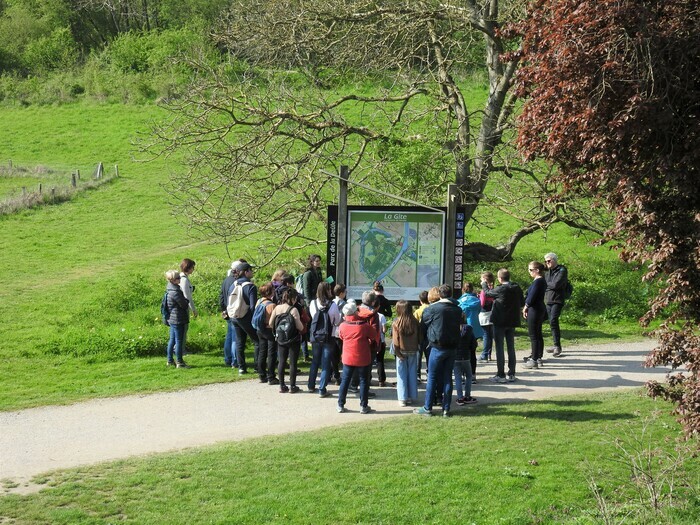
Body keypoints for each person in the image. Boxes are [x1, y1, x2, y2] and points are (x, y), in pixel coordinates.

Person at [414, 284, 463, 417]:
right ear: (451, 294)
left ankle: (428, 407)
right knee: (448, 378)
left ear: (440, 295)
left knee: (432, 377)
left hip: (437, 347)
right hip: (452, 348)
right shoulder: (457, 309)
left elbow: (423, 326)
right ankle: (446, 409)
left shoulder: (432, 309)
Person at [337, 301, 378, 414]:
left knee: (345, 380)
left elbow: (341, 336)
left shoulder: (343, 326)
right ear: (356, 312)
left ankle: (340, 404)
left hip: (348, 357)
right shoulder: (364, 326)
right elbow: (374, 335)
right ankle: (363, 406)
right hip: (363, 357)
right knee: (364, 381)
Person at [486, 269, 524, 384]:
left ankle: (501, 374)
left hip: (500, 322)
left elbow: (487, 293)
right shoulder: (516, 288)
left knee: (499, 348)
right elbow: (522, 302)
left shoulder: (500, 289)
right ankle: (511, 373)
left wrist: (484, 283)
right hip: (512, 321)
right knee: (511, 347)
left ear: (500, 278)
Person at [307, 282, 342, 397]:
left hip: (316, 336)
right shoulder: (333, 305)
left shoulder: (313, 303)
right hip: (329, 336)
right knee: (326, 363)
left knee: (315, 361)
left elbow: (312, 317)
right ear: (327, 291)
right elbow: (337, 321)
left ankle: (311, 385)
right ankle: (322, 389)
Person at [269, 288, 305, 393]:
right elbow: (300, 327)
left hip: (280, 339)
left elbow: (271, 323)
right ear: (293, 298)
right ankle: (293, 386)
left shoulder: (277, 308)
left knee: (281, 361)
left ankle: (282, 385)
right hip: (293, 339)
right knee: (293, 363)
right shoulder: (293, 310)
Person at [229, 262, 260, 375]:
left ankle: (242, 367)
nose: (252, 272)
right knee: (257, 341)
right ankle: (258, 366)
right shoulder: (250, 286)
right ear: (246, 272)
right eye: (251, 270)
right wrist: (255, 319)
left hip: (234, 317)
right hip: (246, 317)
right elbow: (252, 306)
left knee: (239, 342)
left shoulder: (234, 284)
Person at [392, 300, 421, 406]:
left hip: (401, 352)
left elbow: (395, 342)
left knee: (401, 375)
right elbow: (419, 338)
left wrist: (398, 353)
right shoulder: (415, 322)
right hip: (413, 351)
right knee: (412, 374)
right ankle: (411, 396)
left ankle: (402, 398)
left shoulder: (396, 323)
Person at [219, 260, 246, 368]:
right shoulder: (235, 281)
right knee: (236, 338)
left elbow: (221, 297)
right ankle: (235, 361)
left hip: (227, 311)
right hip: (234, 311)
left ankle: (228, 358)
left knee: (229, 336)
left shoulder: (226, 280)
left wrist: (224, 309)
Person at [164, 270, 190, 368]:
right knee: (179, 341)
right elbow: (183, 305)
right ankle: (180, 362)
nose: (180, 279)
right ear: (173, 280)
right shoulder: (176, 292)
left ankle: (170, 360)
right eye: (178, 278)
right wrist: (186, 301)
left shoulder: (169, 289)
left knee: (172, 340)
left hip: (172, 319)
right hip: (178, 319)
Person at [523, 261, 547, 369]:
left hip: (535, 310)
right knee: (538, 334)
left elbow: (531, 297)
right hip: (539, 309)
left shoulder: (538, 282)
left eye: (530, 270)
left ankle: (534, 359)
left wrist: (526, 306)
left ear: (537, 270)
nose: (529, 272)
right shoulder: (541, 281)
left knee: (534, 335)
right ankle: (537, 357)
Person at [544, 252, 568, 357]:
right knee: (551, 322)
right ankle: (555, 344)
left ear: (554, 260)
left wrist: (547, 285)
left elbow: (556, 284)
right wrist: (549, 285)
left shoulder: (562, 270)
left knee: (553, 320)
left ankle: (557, 346)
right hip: (548, 299)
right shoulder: (548, 272)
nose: (547, 263)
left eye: (549, 260)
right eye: (546, 261)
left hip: (558, 299)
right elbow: (549, 284)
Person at [458, 281, 483, 381]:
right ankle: (472, 374)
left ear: (463, 290)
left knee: (461, 352)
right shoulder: (477, 301)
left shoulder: (459, 302)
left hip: (462, 329)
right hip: (474, 329)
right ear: (472, 289)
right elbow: (479, 311)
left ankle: (463, 374)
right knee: (472, 352)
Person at [255, 283, 279, 384]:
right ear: (270, 292)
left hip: (260, 329)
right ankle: (271, 376)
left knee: (262, 352)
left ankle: (261, 375)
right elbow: (274, 320)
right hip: (269, 330)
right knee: (271, 354)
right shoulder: (272, 305)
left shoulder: (259, 301)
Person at [301, 254, 323, 361]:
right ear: (312, 262)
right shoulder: (308, 274)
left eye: (319, 261)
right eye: (316, 261)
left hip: (318, 300)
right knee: (310, 323)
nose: (318, 263)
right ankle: (307, 350)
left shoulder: (318, 272)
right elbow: (306, 289)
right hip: (310, 303)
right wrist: (309, 303)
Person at [454, 324, 478, 406]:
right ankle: (467, 396)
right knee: (469, 375)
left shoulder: (452, 327)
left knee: (457, 377)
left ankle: (460, 397)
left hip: (456, 356)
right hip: (466, 356)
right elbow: (474, 344)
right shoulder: (469, 329)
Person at [179, 258, 197, 355]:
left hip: (184, 307)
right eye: (192, 267)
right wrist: (193, 309)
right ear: (188, 268)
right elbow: (187, 297)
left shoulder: (184, 278)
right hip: (184, 308)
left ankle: (181, 348)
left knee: (184, 329)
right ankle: (180, 350)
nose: (193, 269)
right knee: (183, 329)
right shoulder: (184, 280)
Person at [331, 283, 348, 384]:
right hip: (341, 331)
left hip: (332, 332)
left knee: (333, 355)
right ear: (341, 293)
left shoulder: (331, 302)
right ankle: (340, 376)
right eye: (345, 292)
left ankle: (335, 374)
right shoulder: (344, 304)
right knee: (342, 354)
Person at [478, 271, 495, 361]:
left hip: (484, 314)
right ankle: (489, 353)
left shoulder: (484, 291)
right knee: (490, 335)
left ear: (484, 279)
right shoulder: (493, 288)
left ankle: (484, 354)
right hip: (491, 313)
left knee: (485, 335)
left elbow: (482, 303)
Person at [414, 290, 430, 382]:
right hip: (429, 336)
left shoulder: (418, 311)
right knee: (429, 356)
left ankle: (417, 375)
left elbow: (414, 324)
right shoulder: (432, 309)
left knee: (418, 356)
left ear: (420, 300)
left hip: (419, 336)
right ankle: (429, 373)